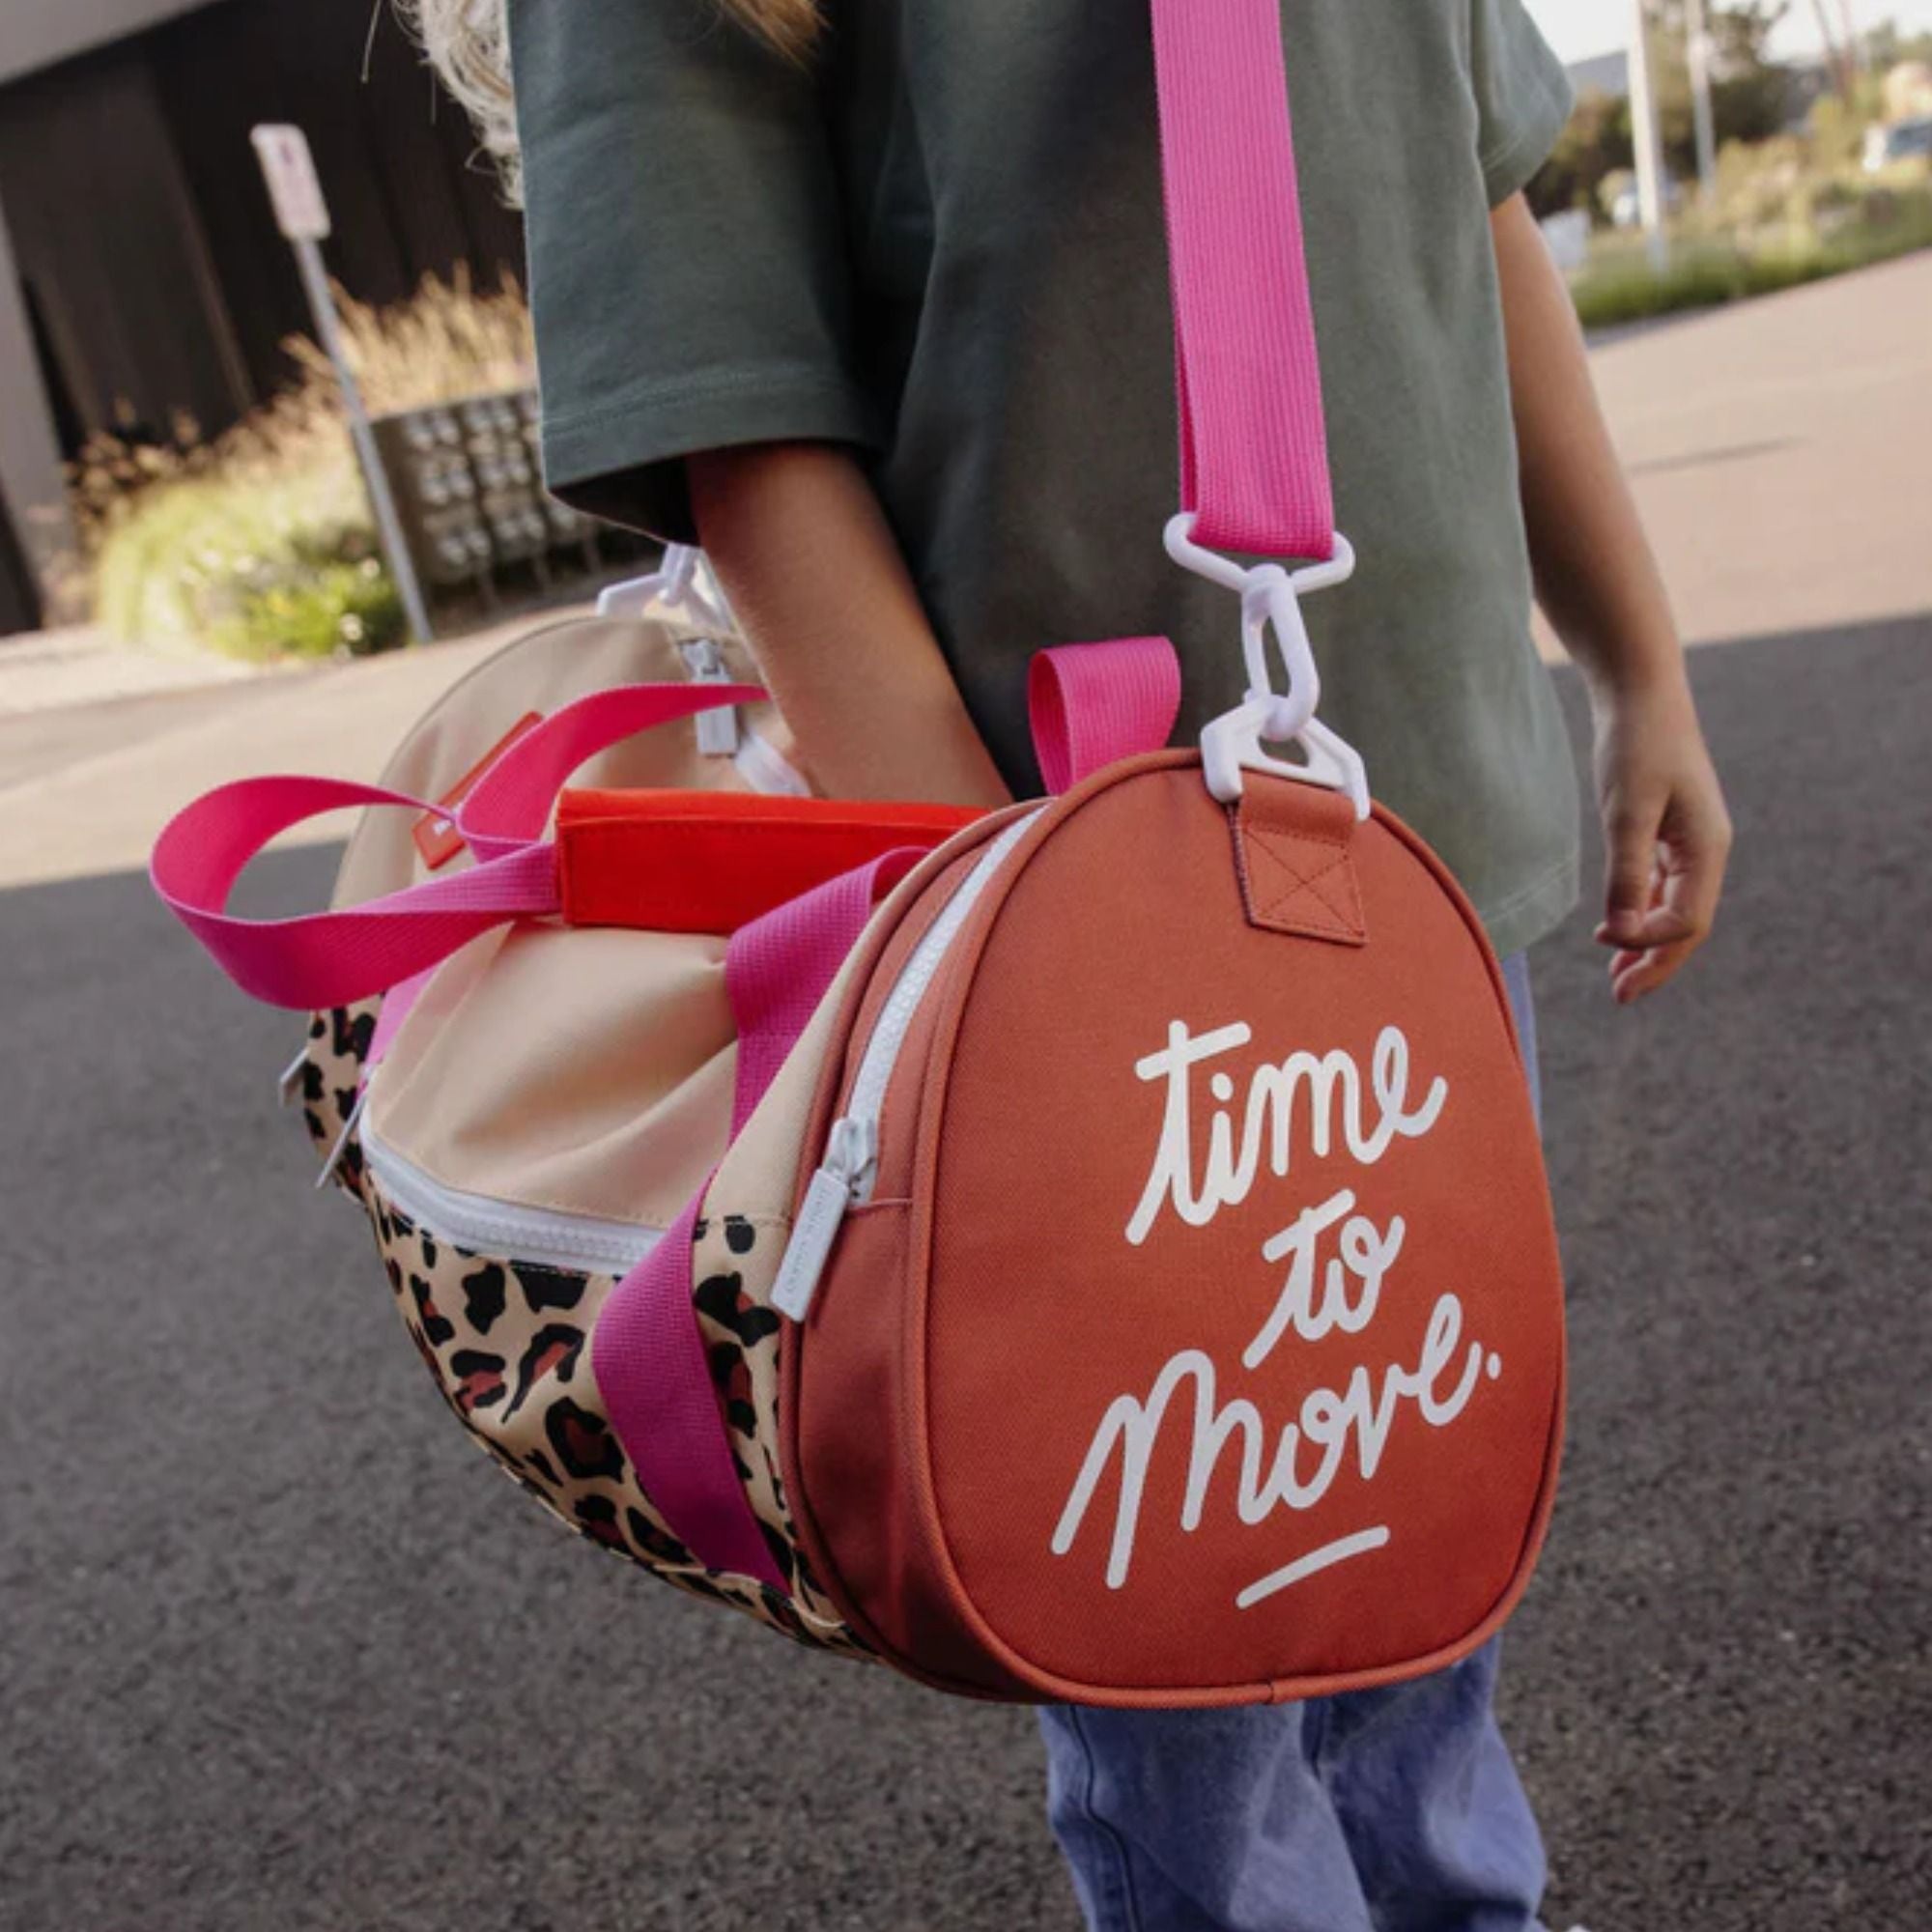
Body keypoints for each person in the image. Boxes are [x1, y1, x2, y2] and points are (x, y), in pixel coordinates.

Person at [408, 3, 1734, 1927]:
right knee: (1190, 1698)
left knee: (1407, 1557)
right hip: (1064, 929)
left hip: (1415, 871)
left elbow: (1474, 197)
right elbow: (736, 429)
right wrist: (1015, 964)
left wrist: (1637, 660)